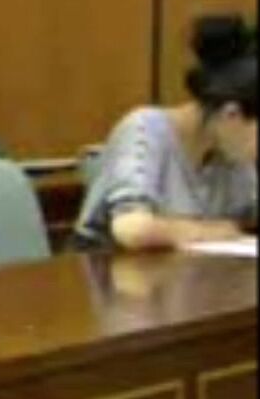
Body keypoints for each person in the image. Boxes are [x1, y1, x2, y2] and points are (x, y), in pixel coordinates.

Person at [76, 14, 257, 250]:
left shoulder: (231, 152)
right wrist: (214, 231)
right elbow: (132, 229)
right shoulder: (145, 129)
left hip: (187, 270)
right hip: (106, 266)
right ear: (232, 115)